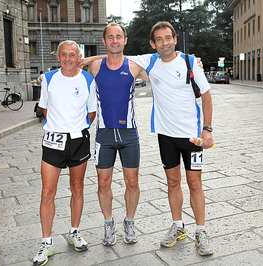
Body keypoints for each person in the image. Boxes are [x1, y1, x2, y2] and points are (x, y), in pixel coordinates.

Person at [127, 21, 214, 256]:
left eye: (168, 38)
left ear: (175, 39)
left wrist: (207, 129)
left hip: (192, 137)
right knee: (173, 183)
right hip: (166, 136)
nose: (164, 43)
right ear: (152, 44)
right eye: (159, 39)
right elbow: (117, 55)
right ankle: (178, 226)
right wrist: (82, 62)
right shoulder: (151, 62)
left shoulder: (189, 62)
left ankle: (201, 230)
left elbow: (206, 96)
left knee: (195, 184)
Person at [33, 40, 97, 266]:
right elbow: (45, 109)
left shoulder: (88, 79)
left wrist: (74, 128)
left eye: (72, 55)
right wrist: (60, 127)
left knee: (77, 187)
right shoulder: (49, 79)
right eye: (64, 55)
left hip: (78, 140)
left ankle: (74, 231)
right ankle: (46, 241)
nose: (68, 59)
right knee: (47, 191)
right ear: (58, 56)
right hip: (53, 141)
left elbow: (91, 113)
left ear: (78, 56)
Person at [87, 23, 148, 246]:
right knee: (103, 183)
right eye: (110, 37)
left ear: (125, 40)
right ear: (104, 41)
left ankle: (129, 222)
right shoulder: (94, 66)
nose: (115, 41)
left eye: (119, 37)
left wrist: (188, 61)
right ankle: (108, 223)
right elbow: (69, 68)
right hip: (104, 135)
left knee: (132, 182)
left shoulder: (134, 67)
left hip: (129, 134)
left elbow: (164, 74)